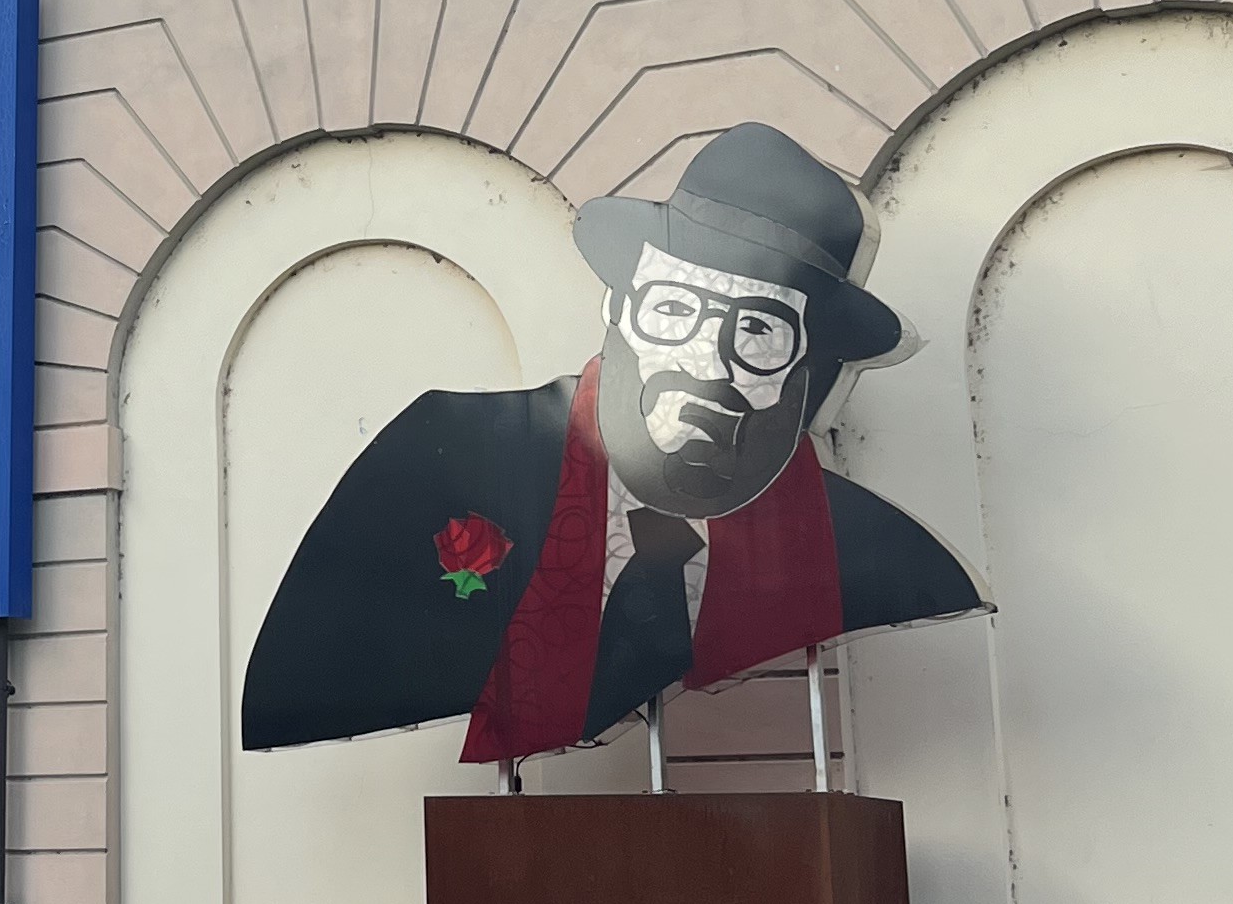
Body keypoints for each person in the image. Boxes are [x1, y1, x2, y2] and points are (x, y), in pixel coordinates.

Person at [240, 124, 981, 761]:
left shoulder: (883, 558)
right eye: (674, 309)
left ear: (810, 373)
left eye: (757, 329)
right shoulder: (442, 459)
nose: (706, 364)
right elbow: (317, 666)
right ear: (617, 308)